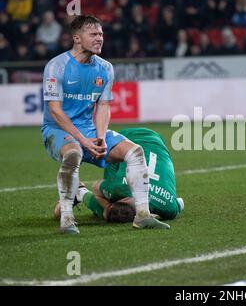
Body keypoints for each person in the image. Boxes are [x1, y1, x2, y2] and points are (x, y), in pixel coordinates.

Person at [42, 15, 170, 234]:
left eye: (101, 34)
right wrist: (83, 141)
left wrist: (100, 136)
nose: (100, 38)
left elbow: (103, 106)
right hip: (57, 129)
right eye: (93, 34)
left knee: (135, 152)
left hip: (89, 130)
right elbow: (55, 111)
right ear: (77, 38)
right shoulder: (57, 67)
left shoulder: (105, 68)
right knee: (73, 155)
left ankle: (143, 215)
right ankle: (67, 219)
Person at [53, 127, 185, 223]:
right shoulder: (116, 188)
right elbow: (96, 188)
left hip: (154, 141)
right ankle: (80, 192)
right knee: (111, 210)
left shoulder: (169, 209)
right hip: (133, 140)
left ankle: (81, 193)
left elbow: (180, 202)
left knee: (114, 213)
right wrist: (107, 209)